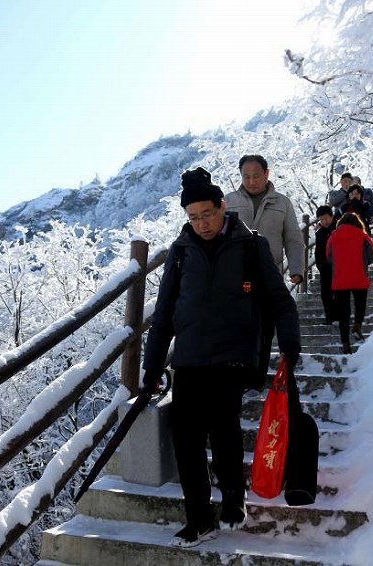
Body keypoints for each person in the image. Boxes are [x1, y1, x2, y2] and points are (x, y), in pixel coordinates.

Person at [141, 167, 301, 548]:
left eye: (207, 214)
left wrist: (290, 345)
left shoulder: (250, 245)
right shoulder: (180, 253)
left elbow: (280, 300)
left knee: (223, 428)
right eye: (193, 218)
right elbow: (163, 314)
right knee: (186, 439)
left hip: (233, 356)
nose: (201, 224)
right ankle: (199, 519)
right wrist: (151, 367)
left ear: (222, 207)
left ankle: (233, 496)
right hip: (190, 358)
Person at [224, 155, 305, 285]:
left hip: (271, 274)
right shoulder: (228, 202)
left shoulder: (282, 203)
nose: (251, 182)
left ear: (266, 173)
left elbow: (293, 239)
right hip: (235, 275)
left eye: (256, 176)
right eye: (246, 177)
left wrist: (296, 269)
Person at [326, 212, 373, 354]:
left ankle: (345, 343)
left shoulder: (333, 236)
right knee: (360, 304)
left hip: (340, 279)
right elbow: (371, 255)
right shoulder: (363, 235)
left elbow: (328, 257)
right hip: (359, 276)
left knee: (343, 313)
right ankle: (358, 324)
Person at [314, 205, 337, 325]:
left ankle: (339, 316)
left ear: (332, 217)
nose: (324, 221)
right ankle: (329, 318)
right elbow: (318, 251)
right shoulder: (319, 233)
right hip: (325, 267)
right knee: (325, 294)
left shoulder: (339, 228)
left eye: (326, 218)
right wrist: (320, 265)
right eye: (321, 219)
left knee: (338, 292)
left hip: (339, 267)